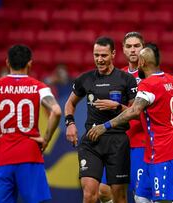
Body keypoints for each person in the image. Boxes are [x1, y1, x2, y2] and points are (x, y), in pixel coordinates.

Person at [87, 43, 173, 203]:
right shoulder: (170, 80)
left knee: (164, 199)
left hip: (163, 153)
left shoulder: (148, 85)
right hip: (154, 153)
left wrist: (105, 126)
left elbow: (134, 111)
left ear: (142, 63)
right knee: (141, 197)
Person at [0, 44, 61, 203]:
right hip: (30, 155)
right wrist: (46, 139)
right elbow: (57, 111)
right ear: (30, 63)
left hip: (3, 156)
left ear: (7, 63)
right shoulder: (39, 87)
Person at [64, 36, 138, 203]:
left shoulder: (126, 80)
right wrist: (70, 123)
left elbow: (135, 112)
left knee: (119, 197)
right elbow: (70, 103)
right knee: (89, 195)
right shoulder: (86, 79)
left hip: (117, 141)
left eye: (104, 55)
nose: (99, 59)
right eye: (96, 55)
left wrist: (118, 107)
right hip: (92, 141)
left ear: (113, 54)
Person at [99, 31, 147, 203]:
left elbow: (140, 112)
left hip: (142, 143)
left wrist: (120, 107)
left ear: (144, 49)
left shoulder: (151, 77)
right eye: (129, 46)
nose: (133, 50)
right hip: (119, 143)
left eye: (137, 46)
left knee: (140, 197)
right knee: (104, 191)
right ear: (123, 51)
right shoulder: (117, 76)